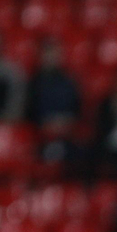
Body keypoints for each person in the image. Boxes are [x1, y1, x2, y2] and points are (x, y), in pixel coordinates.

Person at [26, 39, 84, 172]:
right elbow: (29, 111)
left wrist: (65, 123)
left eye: (55, 54)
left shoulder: (69, 82)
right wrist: (44, 124)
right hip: (40, 137)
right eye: (48, 54)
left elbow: (77, 109)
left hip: (67, 135)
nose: (51, 58)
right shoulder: (34, 83)